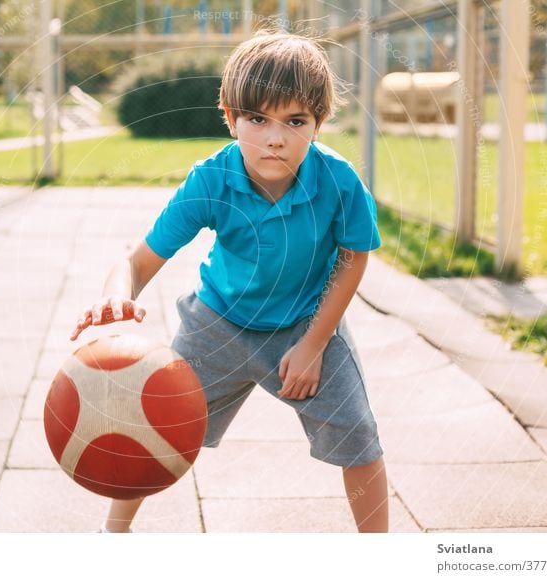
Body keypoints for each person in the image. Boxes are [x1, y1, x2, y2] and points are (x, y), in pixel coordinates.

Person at [70, 30, 388, 533]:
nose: (275, 137)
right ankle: (113, 535)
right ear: (230, 114)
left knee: (359, 436)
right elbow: (137, 261)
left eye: (296, 121)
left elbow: (353, 259)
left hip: (307, 325)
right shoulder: (211, 179)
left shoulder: (339, 180)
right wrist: (115, 296)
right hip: (217, 324)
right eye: (257, 118)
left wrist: (313, 344)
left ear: (319, 123)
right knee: (156, 429)